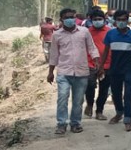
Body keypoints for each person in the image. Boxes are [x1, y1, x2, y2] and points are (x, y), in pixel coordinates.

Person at [47, 7, 100, 135]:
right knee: (62, 98)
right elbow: (54, 54)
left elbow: (92, 48)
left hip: (81, 72)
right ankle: (61, 124)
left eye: (72, 17)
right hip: (64, 72)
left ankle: (75, 123)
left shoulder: (84, 32)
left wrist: (97, 63)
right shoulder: (57, 35)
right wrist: (50, 72)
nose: (70, 19)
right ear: (61, 20)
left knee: (78, 100)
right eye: (67, 17)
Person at [85, 8, 112, 120]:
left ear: (104, 19)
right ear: (91, 20)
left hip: (107, 64)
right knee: (90, 86)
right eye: (95, 19)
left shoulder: (110, 31)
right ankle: (90, 104)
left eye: (100, 19)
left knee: (104, 89)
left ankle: (99, 111)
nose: (97, 21)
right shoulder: (86, 32)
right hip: (90, 64)